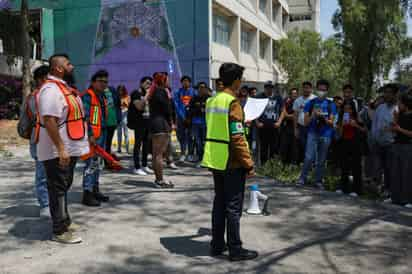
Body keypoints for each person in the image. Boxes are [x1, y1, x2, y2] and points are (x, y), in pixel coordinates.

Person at [202, 63, 257, 261]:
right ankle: (235, 249)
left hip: (216, 159)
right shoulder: (232, 103)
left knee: (219, 203)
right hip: (232, 162)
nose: (241, 82)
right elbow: (237, 137)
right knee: (233, 207)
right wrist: (248, 164)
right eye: (240, 79)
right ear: (235, 80)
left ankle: (217, 245)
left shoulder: (213, 100)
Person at [36, 54, 89, 244]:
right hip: (56, 150)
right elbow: (49, 120)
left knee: (63, 186)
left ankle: (64, 220)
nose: (72, 66)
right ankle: (59, 230)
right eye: (69, 64)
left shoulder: (63, 87)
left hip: (67, 148)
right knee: (57, 188)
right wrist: (61, 148)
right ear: (59, 68)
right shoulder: (51, 90)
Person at [298, 80, 337, 188]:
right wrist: (313, 115)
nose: (321, 92)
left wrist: (323, 117)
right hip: (312, 133)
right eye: (320, 89)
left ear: (327, 91)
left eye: (324, 90)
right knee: (309, 157)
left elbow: (331, 122)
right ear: (316, 89)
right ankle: (302, 178)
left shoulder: (331, 104)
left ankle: (318, 181)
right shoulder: (310, 103)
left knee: (321, 159)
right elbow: (305, 122)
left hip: (326, 134)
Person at [81, 70, 110, 207]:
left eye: (106, 81)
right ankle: (87, 193)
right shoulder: (87, 96)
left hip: (102, 134)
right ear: (93, 82)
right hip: (92, 136)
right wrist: (90, 134)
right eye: (101, 81)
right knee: (90, 164)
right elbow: (85, 117)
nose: (104, 84)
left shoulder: (102, 96)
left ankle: (95, 189)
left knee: (98, 164)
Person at [369, 84, 399, 200]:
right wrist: (373, 137)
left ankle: (388, 190)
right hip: (377, 142)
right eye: (385, 92)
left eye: (390, 93)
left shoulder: (397, 108)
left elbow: (397, 126)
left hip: (391, 143)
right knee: (376, 166)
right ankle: (376, 188)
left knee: (388, 168)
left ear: (395, 94)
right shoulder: (380, 108)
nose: (387, 95)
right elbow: (374, 124)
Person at [28, 65, 50, 218]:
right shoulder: (36, 96)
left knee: (50, 175)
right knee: (42, 175)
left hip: (49, 140)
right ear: (42, 79)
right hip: (40, 139)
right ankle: (45, 205)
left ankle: (49, 203)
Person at [149, 72, 175, 188]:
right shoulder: (161, 91)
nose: (169, 81)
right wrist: (172, 123)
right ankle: (160, 180)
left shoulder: (154, 92)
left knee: (156, 154)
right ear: (163, 81)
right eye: (167, 80)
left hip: (155, 124)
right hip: (161, 124)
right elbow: (167, 109)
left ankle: (158, 179)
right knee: (159, 155)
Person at [336, 100, 366, 196]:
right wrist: (341, 126)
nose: (347, 111)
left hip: (355, 144)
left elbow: (365, 130)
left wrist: (356, 125)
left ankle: (356, 190)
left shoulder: (358, 118)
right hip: (344, 143)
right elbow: (338, 135)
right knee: (344, 166)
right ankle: (343, 187)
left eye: (349, 109)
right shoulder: (340, 118)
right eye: (345, 109)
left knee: (356, 167)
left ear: (353, 110)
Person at [388, 93, 412, 207]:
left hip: (407, 146)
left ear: (406, 104)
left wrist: (399, 129)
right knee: (395, 172)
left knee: (406, 173)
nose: (398, 104)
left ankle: (406, 200)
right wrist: (393, 124)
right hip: (396, 145)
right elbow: (395, 129)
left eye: (400, 103)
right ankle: (395, 197)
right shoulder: (400, 114)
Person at [128, 76, 154, 176]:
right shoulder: (136, 93)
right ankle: (136, 167)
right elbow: (139, 106)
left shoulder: (148, 94)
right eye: (147, 83)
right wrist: (147, 95)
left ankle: (144, 165)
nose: (149, 85)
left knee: (146, 144)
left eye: (150, 84)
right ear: (141, 83)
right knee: (138, 145)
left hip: (148, 121)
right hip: (139, 122)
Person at [255, 81, 283, 165]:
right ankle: (263, 166)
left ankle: (271, 166)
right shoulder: (259, 97)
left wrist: (279, 122)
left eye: (270, 87)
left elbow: (283, 110)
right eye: (267, 87)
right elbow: (254, 110)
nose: (268, 89)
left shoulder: (278, 98)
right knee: (263, 147)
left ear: (272, 88)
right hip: (262, 126)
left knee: (273, 148)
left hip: (274, 126)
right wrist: (257, 122)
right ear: (264, 88)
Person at [293, 81, 317, 163]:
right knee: (302, 146)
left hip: (312, 127)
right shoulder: (298, 100)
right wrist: (295, 128)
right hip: (301, 127)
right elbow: (295, 115)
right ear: (302, 89)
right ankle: (303, 165)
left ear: (311, 89)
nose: (306, 89)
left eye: (308, 88)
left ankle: (312, 165)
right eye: (304, 88)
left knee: (312, 147)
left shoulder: (315, 99)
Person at [174, 76, 196, 162]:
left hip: (191, 118)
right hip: (181, 119)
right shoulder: (178, 92)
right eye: (184, 81)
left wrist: (190, 117)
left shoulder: (194, 92)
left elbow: (195, 105)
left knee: (191, 136)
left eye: (187, 81)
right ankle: (183, 153)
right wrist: (183, 117)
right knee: (181, 136)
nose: (185, 83)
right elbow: (176, 105)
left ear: (190, 83)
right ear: (181, 82)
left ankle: (190, 154)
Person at [188, 84, 210, 166]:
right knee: (198, 142)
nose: (201, 89)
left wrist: (202, 110)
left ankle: (206, 159)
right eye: (200, 88)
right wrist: (198, 110)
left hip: (206, 123)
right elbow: (190, 110)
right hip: (195, 123)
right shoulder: (194, 98)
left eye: (203, 88)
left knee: (205, 142)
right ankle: (200, 159)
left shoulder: (209, 98)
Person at [278, 88, 299, 164]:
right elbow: (284, 113)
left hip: (295, 128)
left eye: (295, 93)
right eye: (292, 93)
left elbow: (297, 115)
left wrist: (289, 115)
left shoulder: (299, 102)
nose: (294, 95)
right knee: (284, 146)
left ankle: (293, 165)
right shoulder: (286, 101)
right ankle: (283, 164)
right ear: (290, 94)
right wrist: (292, 116)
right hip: (286, 127)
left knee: (294, 148)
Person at [104, 84, 121, 165]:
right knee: (102, 142)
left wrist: (118, 119)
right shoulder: (97, 91)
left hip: (112, 121)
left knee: (108, 142)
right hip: (102, 122)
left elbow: (118, 105)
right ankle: (103, 161)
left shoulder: (112, 90)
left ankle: (107, 161)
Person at [117, 85, 130, 154]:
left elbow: (130, 106)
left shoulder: (127, 97)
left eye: (122, 90)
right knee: (119, 133)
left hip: (125, 117)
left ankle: (127, 148)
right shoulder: (116, 97)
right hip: (119, 117)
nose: (120, 92)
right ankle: (119, 148)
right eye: (119, 90)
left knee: (126, 133)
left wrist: (126, 104)